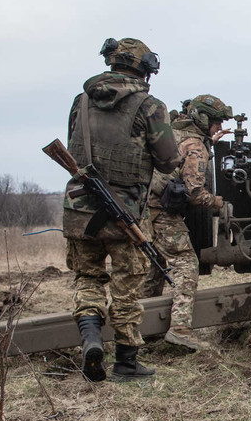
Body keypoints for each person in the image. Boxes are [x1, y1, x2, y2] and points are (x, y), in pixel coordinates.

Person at [62, 37, 179, 383]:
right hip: (124, 215)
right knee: (126, 289)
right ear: (144, 70)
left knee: (88, 278)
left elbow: (74, 149)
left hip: (80, 210)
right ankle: (126, 362)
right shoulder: (151, 106)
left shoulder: (81, 101)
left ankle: (92, 338)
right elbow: (169, 160)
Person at [141, 94, 233, 351]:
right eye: (215, 122)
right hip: (162, 213)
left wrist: (208, 144)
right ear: (202, 119)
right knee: (186, 263)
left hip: (144, 210)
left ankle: (139, 327)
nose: (217, 127)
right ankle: (180, 329)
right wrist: (217, 202)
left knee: (155, 266)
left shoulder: (174, 132)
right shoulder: (194, 145)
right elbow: (194, 193)